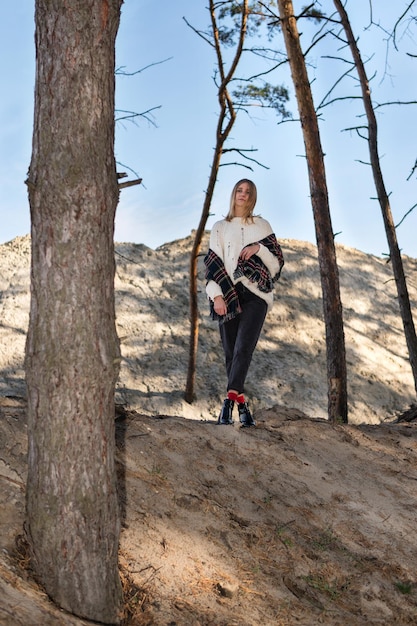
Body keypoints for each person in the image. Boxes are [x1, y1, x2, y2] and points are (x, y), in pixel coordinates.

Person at [204, 179, 284, 427]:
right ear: (233, 194)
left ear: (253, 197)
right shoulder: (219, 227)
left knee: (243, 349)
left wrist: (258, 248)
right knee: (230, 354)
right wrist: (216, 295)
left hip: (256, 294)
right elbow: (212, 264)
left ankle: (226, 405)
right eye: (239, 190)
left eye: (248, 191)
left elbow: (277, 261)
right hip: (227, 294)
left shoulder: (262, 225)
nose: (243, 194)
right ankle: (242, 406)